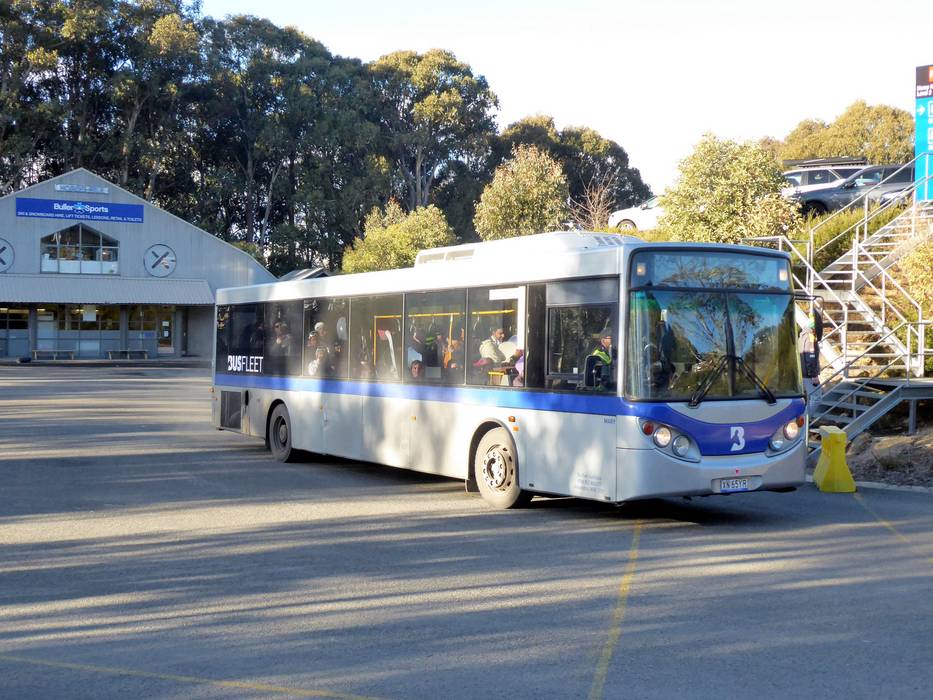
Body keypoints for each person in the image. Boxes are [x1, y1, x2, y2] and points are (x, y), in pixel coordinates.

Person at [799, 314, 822, 411]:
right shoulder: (810, 337)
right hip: (809, 375)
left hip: (803, 373)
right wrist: (814, 375)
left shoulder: (802, 336)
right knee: (816, 398)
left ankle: (804, 417)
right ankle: (806, 418)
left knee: (808, 398)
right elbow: (810, 357)